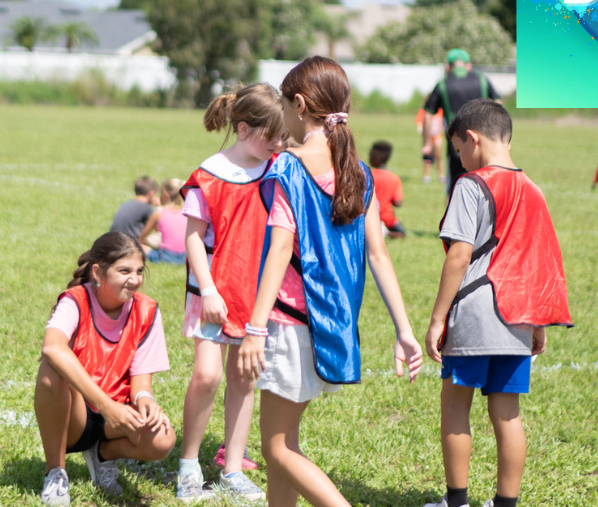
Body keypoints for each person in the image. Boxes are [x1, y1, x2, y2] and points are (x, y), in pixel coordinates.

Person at [238, 56, 423, 507]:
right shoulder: (359, 170)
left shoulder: (287, 168)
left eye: (283, 104)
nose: (282, 114)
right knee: (287, 442)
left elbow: (281, 251)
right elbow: (377, 254)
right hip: (331, 324)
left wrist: (255, 329)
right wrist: (405, 331)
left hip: (288, 322)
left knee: (275, 449)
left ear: (299, 104)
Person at [422, 99, 572, 507]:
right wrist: (537, 320)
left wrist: (437, 320)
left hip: (475, 313)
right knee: (507, 414)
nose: (459, 159)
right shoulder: (532, 188)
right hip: (517, 318)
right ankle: (505, 504)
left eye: (458, 150)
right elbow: (537, 258)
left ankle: (456, 503)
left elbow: (458, 254)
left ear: (472, 138)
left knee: (455, 405)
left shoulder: (471, 185)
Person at [175, 83, 288, 501]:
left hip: (255, 294)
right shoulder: (208, 174)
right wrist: (207, 290)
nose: (278, 143)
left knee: (245, 378)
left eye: (282, 136)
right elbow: (191, 239)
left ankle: (233, 469)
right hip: (213, 292)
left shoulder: (277, 169)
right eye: (271, 135)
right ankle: (188, 464)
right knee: (207, 374)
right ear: (242, 128)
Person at [35, 231, 176, 505]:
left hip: (116, 417)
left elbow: (141, 384)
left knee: (162, 440)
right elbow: (51, 347)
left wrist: (145, 400)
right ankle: (55, 473)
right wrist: (105, 405)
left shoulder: (147, 310)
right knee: (51, 370)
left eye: (139, 271)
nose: (134, 279)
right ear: (98, 273)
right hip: (76, 415)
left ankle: (102, 456)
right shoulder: (76, 300)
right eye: (125, 271)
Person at [423, 49, 502, 192]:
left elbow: (428, 115)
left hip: (457, 148)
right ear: (468, 65)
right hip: (486, 144)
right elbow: (499, 106)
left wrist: (427, 143)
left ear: (448, 67)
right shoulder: (482, 80)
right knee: (486, 187)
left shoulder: (443, 84)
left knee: (454, 189)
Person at [139, 178, 187, 264]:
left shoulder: (159, 213)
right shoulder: (188, 212)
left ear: (166, 196)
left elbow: (141, 239)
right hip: (187, 257)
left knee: (138, 246)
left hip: (166, 257)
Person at [368, 140, 405, 238]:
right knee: (402, 233)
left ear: (377, 158)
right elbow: (398, 203)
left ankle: (382, 231)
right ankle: (386, 232)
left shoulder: (368, 175)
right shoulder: (394, 178)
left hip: (368, 216)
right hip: (387, 218)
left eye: (370, 156)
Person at [110, 176, 159, 245]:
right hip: (128, 244)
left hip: (112, 241)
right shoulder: (146, 207)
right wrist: (159, 207)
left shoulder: (127, 203)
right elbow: (159, 229)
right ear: (151, 193)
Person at [417, 107, 445, 184]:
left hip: (437, 136)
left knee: (438, 156)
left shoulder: (440, 110)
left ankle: (441, 175)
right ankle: (426, 176)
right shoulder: (424, 110)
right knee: (427, 156)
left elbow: (443, 121)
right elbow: (419, 120)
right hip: (428, 137)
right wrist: (420, 128)